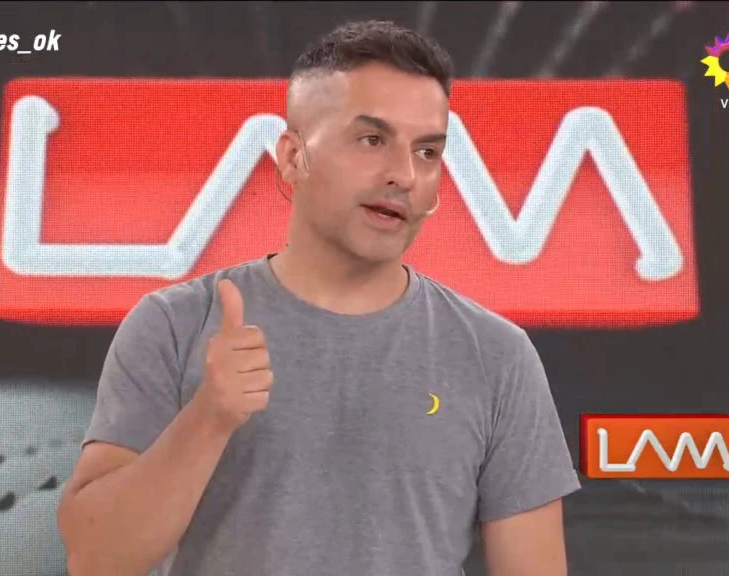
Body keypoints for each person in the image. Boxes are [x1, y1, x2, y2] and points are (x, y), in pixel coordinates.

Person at [57, 19, 581, 576]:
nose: (405, 175)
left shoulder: (496, 356)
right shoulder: (174, 325)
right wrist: (209, 417)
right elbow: (96, 559)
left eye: (427, 151)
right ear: (293, 157)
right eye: (372, 140)